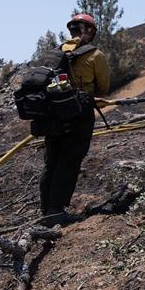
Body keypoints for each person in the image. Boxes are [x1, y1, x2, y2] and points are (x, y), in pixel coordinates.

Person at [40, 13, 111, 225]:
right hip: (79, 114)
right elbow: (104, 87)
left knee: (51, 161)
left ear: (71, 30)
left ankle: (47, 210)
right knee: (69, 160)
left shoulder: (54, 53)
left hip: (52, 114)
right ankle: (56, 211)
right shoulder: (95, 56)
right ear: (90, 31)